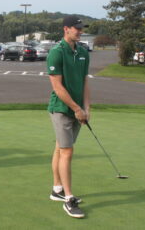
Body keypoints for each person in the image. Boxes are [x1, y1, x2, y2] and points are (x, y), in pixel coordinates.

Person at [47, 15, 90, 218]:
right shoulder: (56, 52)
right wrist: (76, 108)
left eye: (81, 28)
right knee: (67, 151)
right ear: (66, 29)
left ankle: (57, 190)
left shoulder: (82, 52)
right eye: (77, 28)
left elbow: (85, 82)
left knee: (60, 148)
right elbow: (57, 86)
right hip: (61, 109)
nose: (80, 31)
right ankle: (69, 198)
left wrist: (86, 108)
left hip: (77, 110)